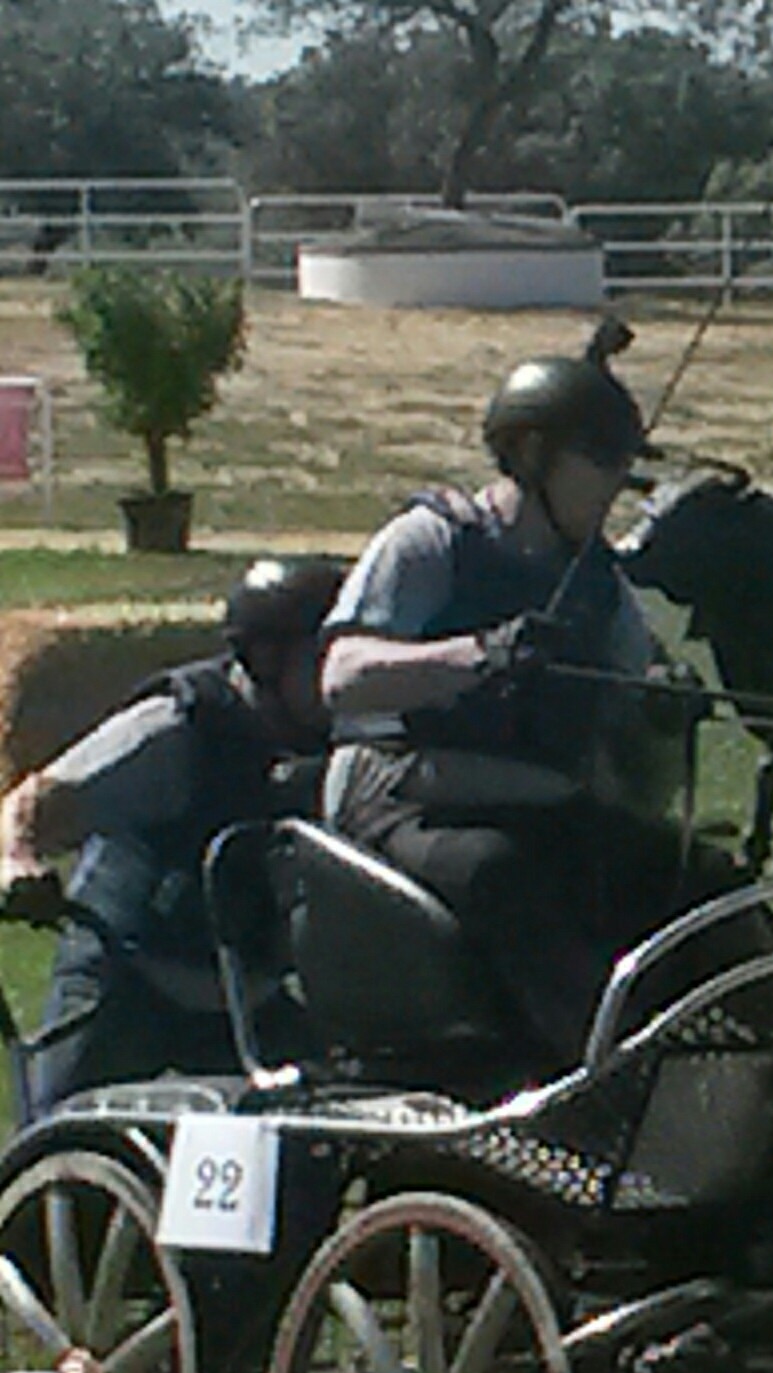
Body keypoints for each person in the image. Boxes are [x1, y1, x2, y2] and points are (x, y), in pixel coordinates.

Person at [319, 329, 721, 1073]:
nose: (614, 487)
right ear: (532, 453)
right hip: (407, 798)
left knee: (703, 879)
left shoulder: (598, 580)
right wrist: (477, 654)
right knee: (500, 875)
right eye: (600, 463)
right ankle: (599, 1078)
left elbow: (637, 682)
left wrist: (667, 702)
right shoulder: (431, 542)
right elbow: (343, 675)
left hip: (540, 804)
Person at [0, 556, 345, 1113]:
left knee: (325, 1136)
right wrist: (18, 863)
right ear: (266, 657)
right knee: (54, 1145)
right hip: (125, 974)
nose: (343, 674)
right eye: (325, 656)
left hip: (243, 995)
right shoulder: (173, 728)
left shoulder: (345, 740)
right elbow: (33, 802)